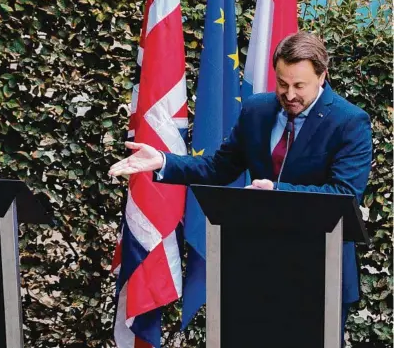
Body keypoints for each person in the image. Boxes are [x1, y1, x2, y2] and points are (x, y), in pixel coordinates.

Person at [109, 31, 372, 344]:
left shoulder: (350, 122)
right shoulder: (256, 110)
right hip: (254, 265)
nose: (289, 94)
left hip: (318, 273)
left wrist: (276, 194)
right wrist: (163, 161)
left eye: (299, 85)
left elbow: (343, 195)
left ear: (322, 76)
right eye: (282, 83)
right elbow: (218, 168)